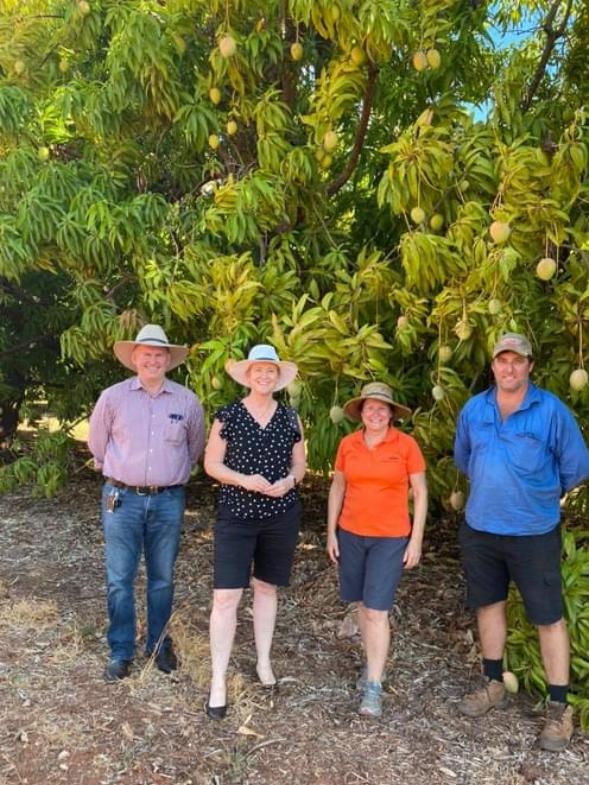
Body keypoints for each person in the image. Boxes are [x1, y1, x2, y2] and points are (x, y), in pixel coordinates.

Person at [454, 332, 589, 751]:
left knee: (549, 617)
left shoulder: (550, 410)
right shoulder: (475, 410)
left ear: (530, 366)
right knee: (488, 604)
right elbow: (465, 459)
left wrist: (536, 495)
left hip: (533, 532)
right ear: (492, 365)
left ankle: (558, 707)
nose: (508, 368)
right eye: (502, 360)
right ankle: (493, 682)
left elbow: (576, 466)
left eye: (518, 361)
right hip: (481, 528)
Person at [88, 324, 205, 681]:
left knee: (162, 579)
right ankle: (121, 650)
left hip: (168, 500)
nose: (153, 360)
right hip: (121, 499)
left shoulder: (186, 401)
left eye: (159, 355)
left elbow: (195, 448)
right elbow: (97, 444)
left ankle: (157, 645)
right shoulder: (113, 397)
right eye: (146, 354)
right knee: (120, 579)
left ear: (168, 360)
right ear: (134, 357)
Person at [204, 344, 306, 719]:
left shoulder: (290, 418)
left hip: (280, 515)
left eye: (270, 371)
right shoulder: (228, 415)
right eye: (258, 371)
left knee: (266, 587)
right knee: (226, 597)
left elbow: (301, 468)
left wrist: (289, 482)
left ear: (278, 377)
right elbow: (211, 464)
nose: (264, 376)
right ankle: (218, 679)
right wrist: (244, 479)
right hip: (237, 515)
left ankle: (263, 661)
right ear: (247, 375)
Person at [327, 382, 428, 719]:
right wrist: (331, 532)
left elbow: (421, 492)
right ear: (361, 411)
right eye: (370, 407)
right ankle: (371, 665)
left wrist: (416, 539)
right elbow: (338, 486)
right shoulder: (348, 444)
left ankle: (373, 685)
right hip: (352, 534)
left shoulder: (406, 445)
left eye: (382, 408)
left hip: (390, 538)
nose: (376, 412)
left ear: (391, 414)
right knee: (360, 605)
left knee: (377, 610)